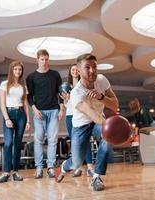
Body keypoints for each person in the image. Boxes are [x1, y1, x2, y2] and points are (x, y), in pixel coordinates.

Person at [55, 53, 119, 191]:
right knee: (77, 162)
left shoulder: (102, 80)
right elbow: (91, 114)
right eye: (87, 67)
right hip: (81, 125)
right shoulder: (76, 92)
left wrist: (101, 97)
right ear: (78, 71)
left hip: (98, 121)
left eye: (94, 67)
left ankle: (96, 177)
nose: (92, 71)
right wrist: (110, 127)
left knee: (107, 138)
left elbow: (115, 105)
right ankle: (64, 167)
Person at [26, 49, 64, 178]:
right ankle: (39, 168)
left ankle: (50, 167)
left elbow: (60, 94)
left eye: (46, 59)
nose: (44, 62)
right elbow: (29, 96)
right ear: (37, 60)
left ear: (48, 59)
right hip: (39, 113)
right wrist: (34, 109)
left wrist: (62, 109)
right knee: (38, 140)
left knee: (53, 140)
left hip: (54, 110)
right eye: (42, 59)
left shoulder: (55, 75)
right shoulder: (31, 77)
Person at [0, 61, 30, 183]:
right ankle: (6, 173)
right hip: (9, 114)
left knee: (18, 144)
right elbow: (2, 104)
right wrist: (7, 119)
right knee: (8, 143)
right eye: (15, 69)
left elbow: (25, 104)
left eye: (19, 70)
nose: (17, 71)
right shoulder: (4, 84)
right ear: (11, 70)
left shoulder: (23, 87)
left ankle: (15, 172)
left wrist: (28, 121)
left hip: (21, 115)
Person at [62, 65, 94, 177]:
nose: (75, 71)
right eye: (73, 70)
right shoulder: (67, 86)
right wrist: (66, 100)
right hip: (70, 116)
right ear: (70, 72)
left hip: (82, 116)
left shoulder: (83, 85)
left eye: (76, 69)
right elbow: (66, 105)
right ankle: (78, 168)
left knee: (86, 142)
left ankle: (90, 167)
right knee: (75, 144)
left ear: (80, 71)